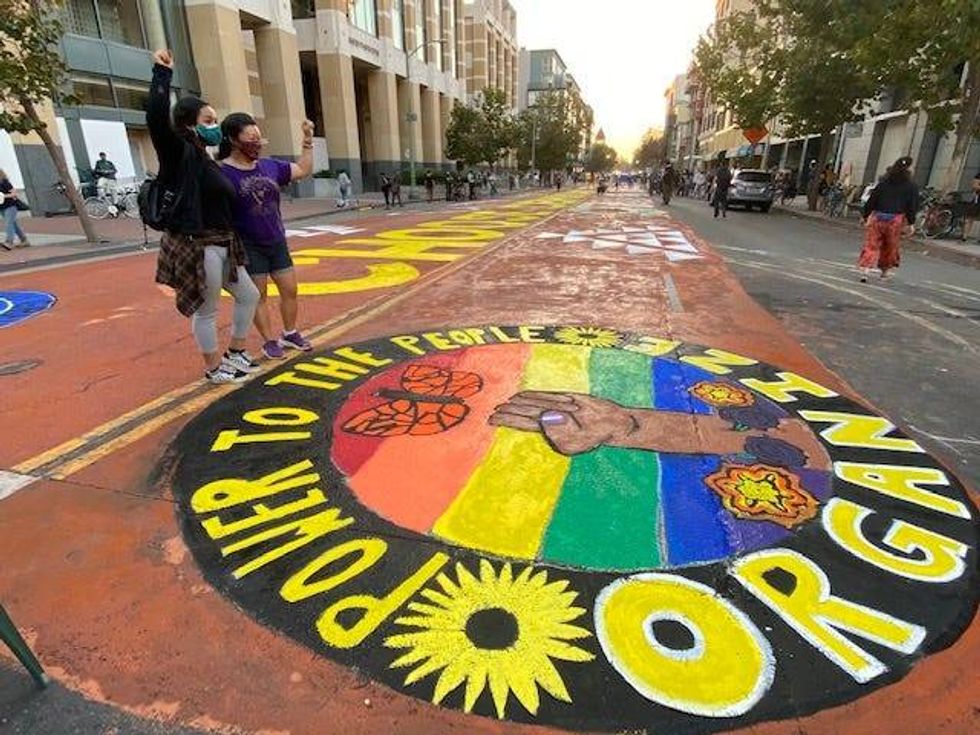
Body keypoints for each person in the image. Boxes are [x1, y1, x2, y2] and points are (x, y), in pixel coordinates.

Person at [147, 49, 260, 384]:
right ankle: (213, 368)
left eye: (215, 121)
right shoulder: (178, 152)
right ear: (187, 125)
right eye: (208, 121)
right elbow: (156, 120)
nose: (214, 126)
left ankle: (236, 352)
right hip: (199, 243)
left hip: (223, 242)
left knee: (249, 295)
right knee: (207, 309)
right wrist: (161, 75)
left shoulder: (205, 157)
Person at [217, 112, 315, 360]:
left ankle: (290, 333)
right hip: (248, 245)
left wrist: (307, 140)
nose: (256, 145)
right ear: (233, 140)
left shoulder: (270, 166)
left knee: (290, 289)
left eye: (258, 139)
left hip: (276, 240)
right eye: (250, 139)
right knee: (259, 295)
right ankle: (269, 341)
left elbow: (303, 169)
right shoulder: (221, 172)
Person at [859, 156, 919, 282]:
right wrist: (911, 222)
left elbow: (872, 201)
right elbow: (911, 206)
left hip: (878, 217)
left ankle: (865, 271)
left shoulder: (883, 184)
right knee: (890, 246)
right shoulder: (911, 187)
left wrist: (865, 215)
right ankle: (884, 273)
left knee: (872, 244)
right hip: (895, 219)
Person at [1, 169, 30, 250]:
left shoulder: (4, 182)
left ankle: (9, 242)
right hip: (2, 207)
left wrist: (3, 196)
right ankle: (24, 240)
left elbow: (14, 193)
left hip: (11, 206)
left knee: (8, 223)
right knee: (14, 224)